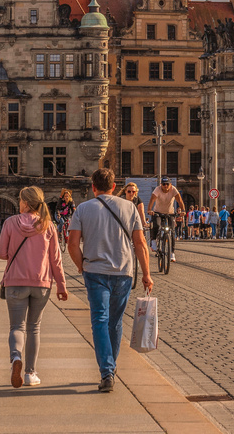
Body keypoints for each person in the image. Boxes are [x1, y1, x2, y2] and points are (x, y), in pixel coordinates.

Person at [68, 168, 154, 394]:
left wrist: (81, 266)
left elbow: (72, 244)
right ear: (115, 186)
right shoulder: (130, 207)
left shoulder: (83, 209)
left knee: (99, 320)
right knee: (114, 322)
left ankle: (106, 371)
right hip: (124, 272)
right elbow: (140, 244)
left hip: (95, 271)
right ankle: (110, 368)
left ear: (93, 187)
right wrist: (146, 273)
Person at [0, 185, 68, 389]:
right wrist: (61, 286)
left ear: (26, 203)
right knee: (34, 327)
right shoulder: (48, 225)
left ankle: (15, 357)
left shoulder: (11, 223)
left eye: (20, 200)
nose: (19, 203)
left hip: (16, 282)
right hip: (41, 283)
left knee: (16, 327)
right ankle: (30, 373)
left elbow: (2, 253)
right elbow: (56, 259)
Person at [147, 178, 183, 262]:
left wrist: (183, 210)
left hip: (169, 213)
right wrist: (149, 210)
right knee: (157, 225)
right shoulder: (157, 189)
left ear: (170, 185)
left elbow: (180, 201)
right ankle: (153, 241)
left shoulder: (173, 189)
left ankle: (172, 253)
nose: (165, 186)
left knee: (172, 231)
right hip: (158, 212)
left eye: (167, 184)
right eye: (164, 184)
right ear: (161, 184)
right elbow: (152, 200)